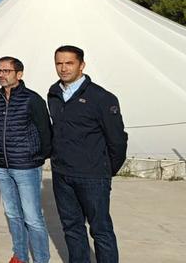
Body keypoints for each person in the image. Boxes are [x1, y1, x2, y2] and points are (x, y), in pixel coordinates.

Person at [48, 45, 127, 263]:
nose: (63, 68)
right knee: (72, 229)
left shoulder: (102, 98)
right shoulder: (54, 94)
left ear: (82, 65)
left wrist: (106, 170)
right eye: (59, 63)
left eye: (69, 63)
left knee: (101, 230)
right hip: (63, 175)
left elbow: (118, 140)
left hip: (93, 177)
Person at [0, 57, 52, 263]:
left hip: (26, 167)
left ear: (19, 74)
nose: (1, 75)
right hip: (3, 167)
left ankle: (42, 259)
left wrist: (36, 156)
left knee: (33, 217)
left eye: (6, 71)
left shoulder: (32, 99)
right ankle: (20, 256)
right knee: (13, 215)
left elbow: (46, 132)